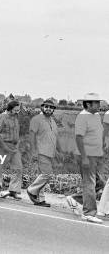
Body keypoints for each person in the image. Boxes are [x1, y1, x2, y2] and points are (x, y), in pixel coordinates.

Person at [65, 93, 105, 224]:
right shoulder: (82, 117)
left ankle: (75, 199)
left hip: (95, 155)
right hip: (86, 155)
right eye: (97, 103)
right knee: (90, 183)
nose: (99, 105)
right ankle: (88, 213)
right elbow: (79, 137)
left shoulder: (96, 115)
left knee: (100, 183)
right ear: (88, 104)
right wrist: (84, 158)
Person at [26, 99, 58, 208]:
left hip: (50, 153)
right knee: (47, 174)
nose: (48, 109)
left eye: (51, 107)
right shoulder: (37, 119)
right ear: (42, 107)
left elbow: (54, 137)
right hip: (41, 151)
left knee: (42, 175)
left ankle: (40, 199)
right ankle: (31, 190)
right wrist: (33, 151)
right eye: (46, 106)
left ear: (53, 109)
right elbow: (31, 135)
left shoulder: (52, 121)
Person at [0, 101, 24, 200]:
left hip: (14, 147)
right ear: (10, 109)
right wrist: (4, 146)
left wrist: (17, 143)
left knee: (18, 168)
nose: (17, 112)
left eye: (18, 110)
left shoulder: (15, 116)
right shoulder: (2, 117)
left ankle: (13, 191)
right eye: (16, 110)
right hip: (3, 146)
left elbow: (17, 131)